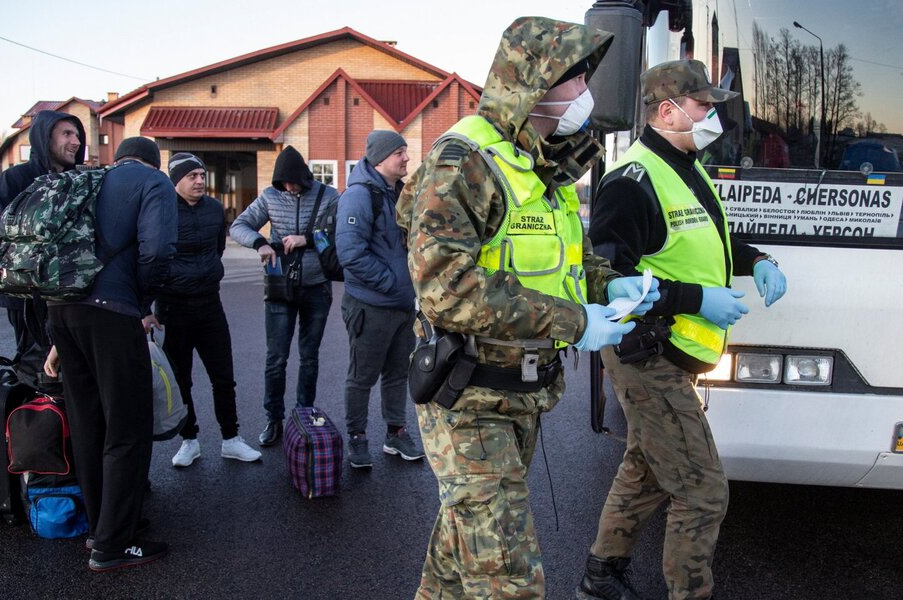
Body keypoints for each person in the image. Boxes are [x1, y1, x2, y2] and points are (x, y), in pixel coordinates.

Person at [396, 17, 658, 598]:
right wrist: (576, 321)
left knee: (456, 555)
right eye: (572, 79)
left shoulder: (543, 168)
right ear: (531, 82)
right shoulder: (463, 162)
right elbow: (445, 287)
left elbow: (571, 264)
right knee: (509, 580)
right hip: (468, 399)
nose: (584, 93)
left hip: (521, 395)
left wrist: (611, 286)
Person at [577, 60, 789, 600]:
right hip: (647, 354)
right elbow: (607, 280)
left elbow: (705, 241)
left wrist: (756, 258)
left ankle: (601, 576)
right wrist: (696, 300)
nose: (713, 115)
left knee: (646, 469)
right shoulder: (632, 181)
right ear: (667, 110)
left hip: (671, 350)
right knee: (702, 492)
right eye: (702, 106)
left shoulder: (685, 163)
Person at [43, 136, 177, 572]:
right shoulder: (152, 183)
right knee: (127, 427)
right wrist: (141, 302)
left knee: (88, 424)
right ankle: (115, 544)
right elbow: (156, 250)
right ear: (153, 161)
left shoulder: (86, 180)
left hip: (62, 312)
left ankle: (99, 529)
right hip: (112, 312)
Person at [144, 153, 261, 467]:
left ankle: (231, 439)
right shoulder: (160, 210)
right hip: (172, 308)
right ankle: (189, 440)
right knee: (181, 379)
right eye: (192, 176)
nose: (199, 181)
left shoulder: (213, 208)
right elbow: (149, 258)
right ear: (176, 180)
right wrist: (144, 307)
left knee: (223, 377)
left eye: (201, 175)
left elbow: (217, 249)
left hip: (210, 305)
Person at [230, 146, 338, 447]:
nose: (289, 188)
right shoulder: (270, 196)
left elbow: (341, 231)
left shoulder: (329, 196)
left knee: (309, 357)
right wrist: (259, 242)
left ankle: (304, 416)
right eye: (283, 184)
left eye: (292, 182)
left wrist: (307, 239)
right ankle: (273, 418)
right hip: (280, 287)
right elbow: (238, 225)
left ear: (303, 176)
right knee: (276, 358)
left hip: (317, 286)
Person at [336, 130, 423, 469]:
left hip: (402, 306)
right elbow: (350, 253)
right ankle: (356, 438)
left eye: (405, 151)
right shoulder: (359, 196)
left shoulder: (396, 193)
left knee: (398, 373)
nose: (406, 158)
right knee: (362, 376)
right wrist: (391, 283)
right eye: (400, 152)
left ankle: (396, 433)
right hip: (370, 306)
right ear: (380, 158)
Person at [0, 110, 85, 361]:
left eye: (77, 134)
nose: (75, 141)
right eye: (66, 133)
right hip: (26, 297)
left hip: (69, 296)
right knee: (35, 366)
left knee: (75, 369)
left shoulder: (78, 181)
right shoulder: (15, 179)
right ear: (45, 138)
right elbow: (0, 239)